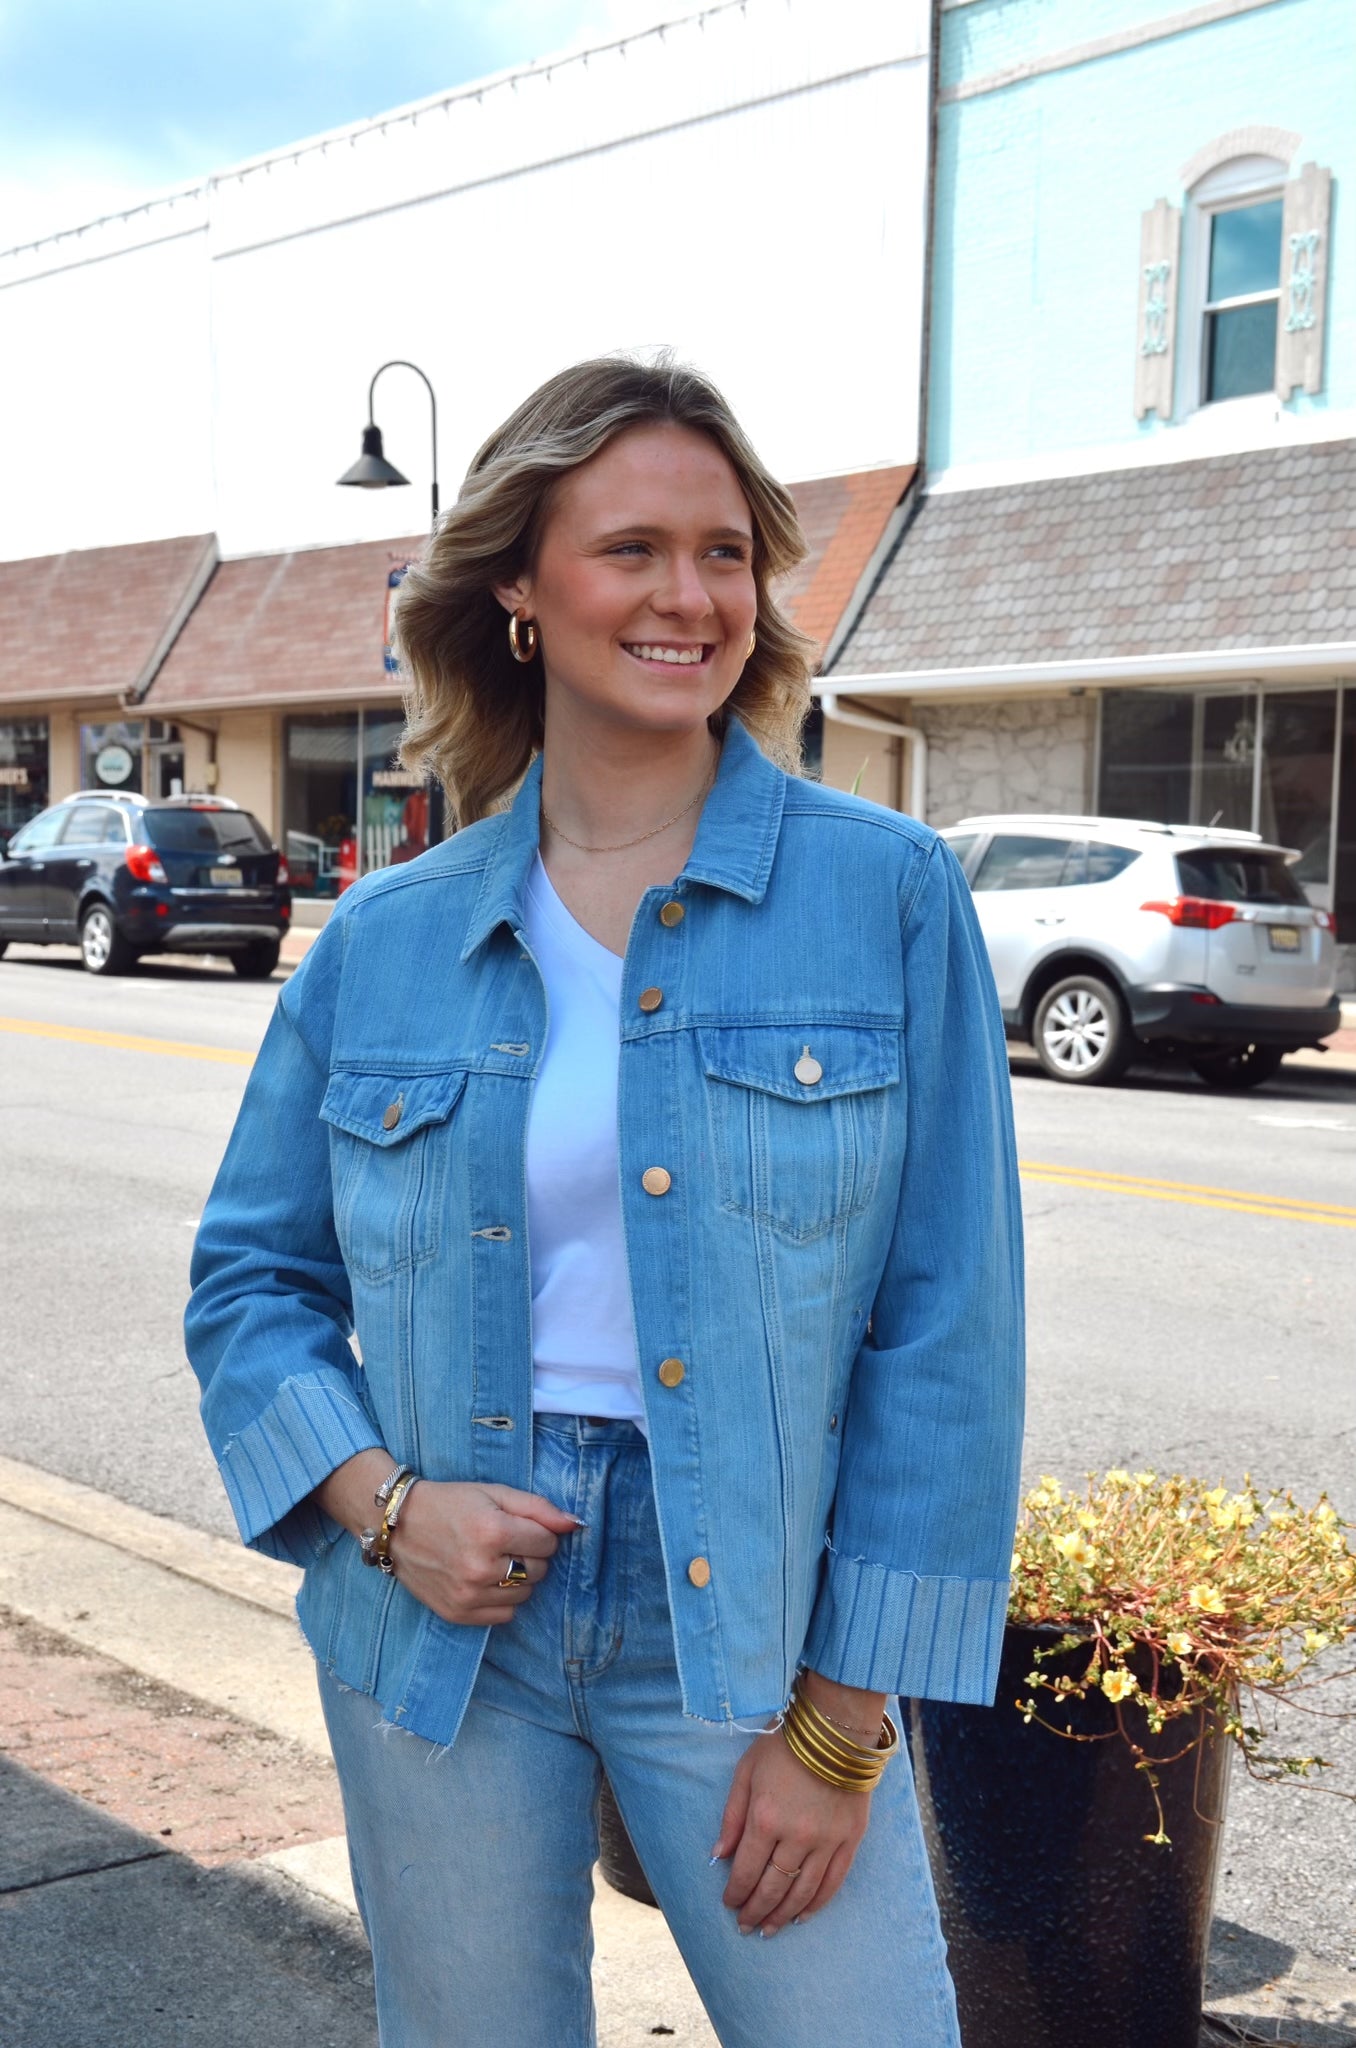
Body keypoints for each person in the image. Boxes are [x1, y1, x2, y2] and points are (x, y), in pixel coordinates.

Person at [185, 356, 1025, 2048]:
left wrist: (846, 1721)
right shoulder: (386, 938)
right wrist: (381, 1503)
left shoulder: (887, 898)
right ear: (519, 586)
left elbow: (950, 1333)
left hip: (752, 1619)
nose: (689, 595)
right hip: (437, 1619)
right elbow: (251, 1283)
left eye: (726, 553)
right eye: (632, 547)